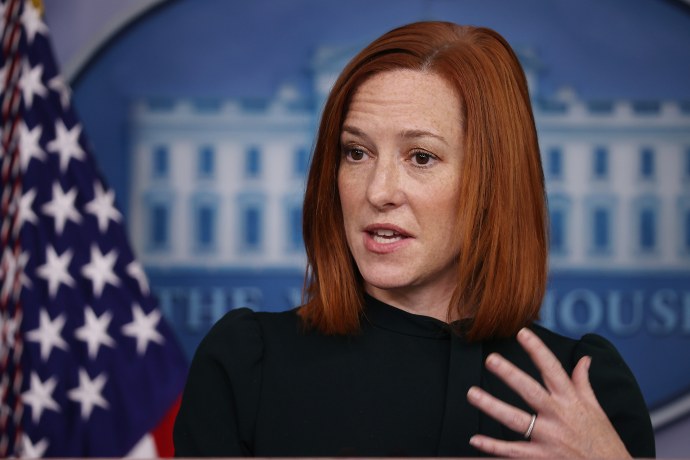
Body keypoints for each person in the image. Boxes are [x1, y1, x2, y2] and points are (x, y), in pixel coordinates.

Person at [173, 21, 655, 458]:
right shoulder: (247, 364)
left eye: (421, 157)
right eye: (356, 152)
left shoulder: (583, 390)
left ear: (494, 183)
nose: (378, 191)